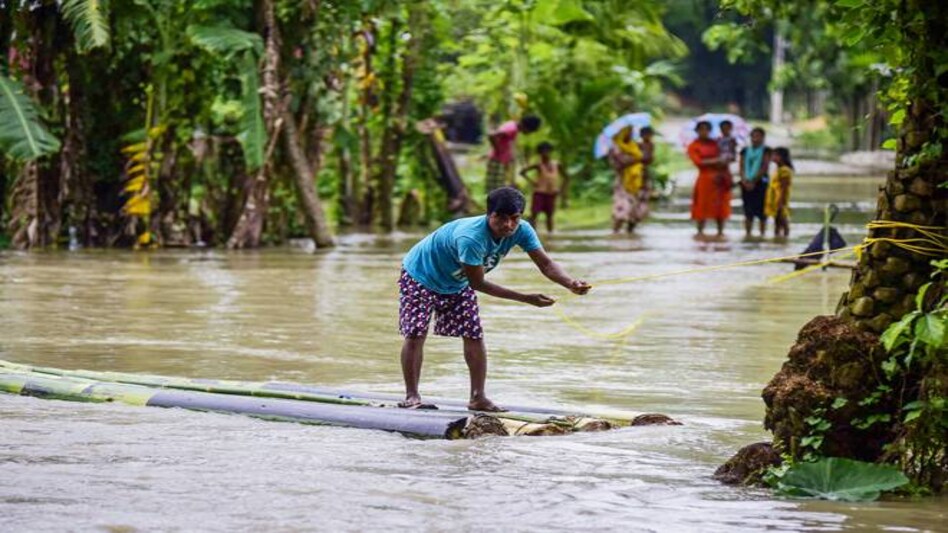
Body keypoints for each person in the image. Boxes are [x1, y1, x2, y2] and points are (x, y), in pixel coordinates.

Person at [397, 187, 590, 411]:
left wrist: (570, 283)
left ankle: (478, 397)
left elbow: (546, 264)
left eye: (514, 219)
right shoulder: (471, 237)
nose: (508, 225)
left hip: (457, 282)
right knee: (416, 333)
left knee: (473, 334)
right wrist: (526, 298)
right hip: (420, 275)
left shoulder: (523, 230)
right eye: (501, 218)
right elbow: (478, 284)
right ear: (489, 214)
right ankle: (412, 396)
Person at [688, 121, 730, 238]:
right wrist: (716, 160)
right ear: (697, 131)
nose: (704, 132)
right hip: (704, 179)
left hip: (720, 178)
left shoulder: (717, 143)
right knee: (702, 205)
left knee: (720, 206)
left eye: (706, 129)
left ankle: (720, 233)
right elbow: (698, 162)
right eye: (701, 129)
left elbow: (727, 156)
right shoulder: (693, 145)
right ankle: (700, 232)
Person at [485, 115, 542, 192]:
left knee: (500, 188)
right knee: (496, 189)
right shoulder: (512, 129)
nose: (529, 133)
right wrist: (499, 150)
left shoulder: (512, 125)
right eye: (530, 131)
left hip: (501, 161)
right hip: (497, 160)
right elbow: (492, 135)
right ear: (526, 127)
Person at [609, 126, 648, 233]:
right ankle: (615, 233)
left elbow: (645, 160)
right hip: (623, 183)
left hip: (636, 182)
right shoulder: (615, 147)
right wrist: (637, 159)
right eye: (628, 131)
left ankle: (630, 236)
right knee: (622, 210)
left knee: (634, 213)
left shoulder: (634, 145)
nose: (630, 134)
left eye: (631, 131)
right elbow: (620, 163)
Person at [519, 141, 562, 233]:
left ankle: (550, 234)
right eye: (543, 151)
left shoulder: (556, 164)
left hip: (552, 193)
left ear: (550, 152)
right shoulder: (538, 165)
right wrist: (533, 182)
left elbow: (566, 177)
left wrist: (561, 189)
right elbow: (522, 172)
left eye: (547, 151)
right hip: (539, 193)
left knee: (550, 215)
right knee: (534, 214)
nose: (545, 153)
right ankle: (531, 234)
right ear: (539, 153)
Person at [738, 127, 772, 237]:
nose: (755, 139)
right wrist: (744, 180)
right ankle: (748, 235)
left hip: (761, 184)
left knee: (762, 212)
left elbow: (764, 167)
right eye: (753, 136)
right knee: (748, 212)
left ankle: (762, 234)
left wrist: (753, 181)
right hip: (745, 184)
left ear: (763, 138)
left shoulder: (766, 151)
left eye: (758, 136)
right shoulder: (744, 151)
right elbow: (741, 167)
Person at [765, 147, 793, 238]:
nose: (773, 157)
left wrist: (781, 201)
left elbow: (784, 188)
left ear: (782, 157)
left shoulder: (785, 170)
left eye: (775, 155)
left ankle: (785, 236)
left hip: (780, 198)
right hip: (774, 198)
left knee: (782, 218)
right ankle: (778, 237)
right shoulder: (778, 169)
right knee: (776, 219)